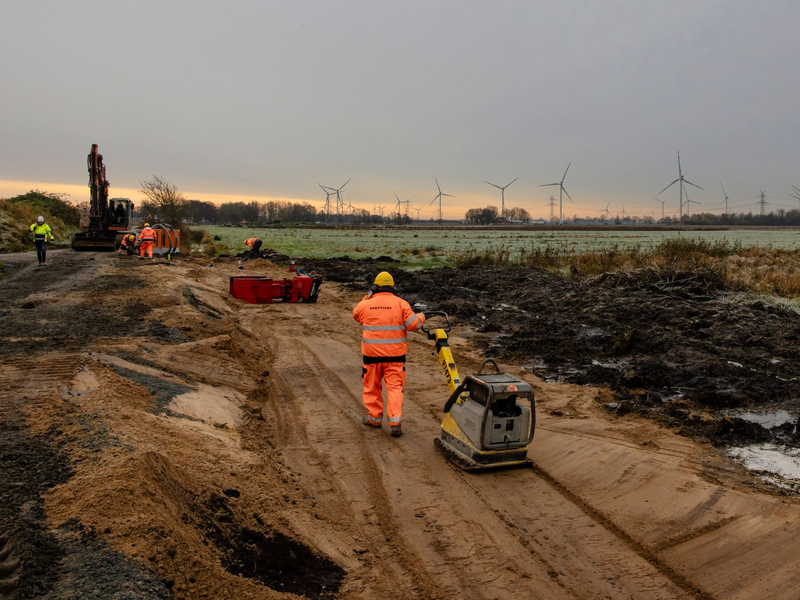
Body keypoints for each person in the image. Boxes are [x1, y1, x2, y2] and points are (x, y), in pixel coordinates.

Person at [352, 271, 425, 437]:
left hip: (371, 357)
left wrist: (367, 297)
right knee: (394, 389)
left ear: (375, 287)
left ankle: (374, 418)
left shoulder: (366, 305)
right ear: (392, 287)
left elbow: (356, 315)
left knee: (372, 387)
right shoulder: (401, 304)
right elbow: (413, 325)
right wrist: (421, 316)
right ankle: (395, 422)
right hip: (395, 357)